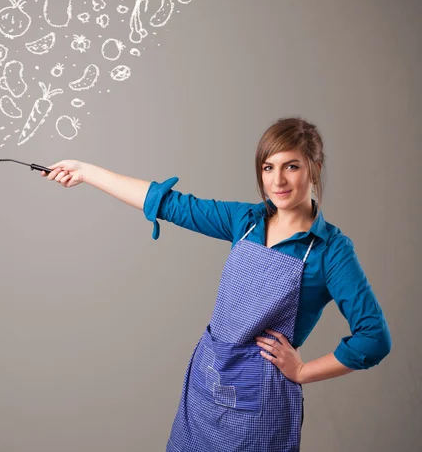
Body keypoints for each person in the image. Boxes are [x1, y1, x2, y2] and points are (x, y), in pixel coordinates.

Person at [40, 117, 391, 451]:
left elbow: (373, 338)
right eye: (268, 168)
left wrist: (301, 371)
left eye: (292, 166)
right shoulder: (246, 221)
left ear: (314, 169)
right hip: (207, 383)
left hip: (260, 404)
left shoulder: (330, 251)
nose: (278, 181)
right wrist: (85, 171)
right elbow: (167, 203)